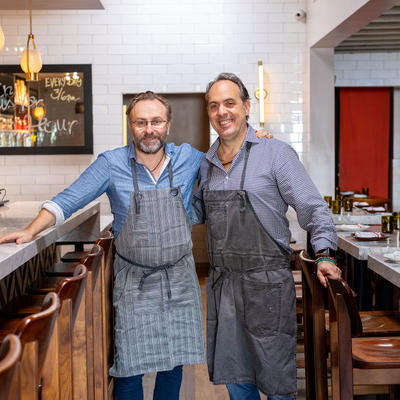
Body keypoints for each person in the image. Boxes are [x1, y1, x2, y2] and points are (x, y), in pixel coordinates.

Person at [0, 91, 206, 400]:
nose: (149, 129)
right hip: (134, 279)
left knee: (174, 362)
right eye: (140, 122)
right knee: (129, 366)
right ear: (130, 126)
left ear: (168, 124)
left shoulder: (189, 158)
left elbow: (228, 159)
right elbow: (68, 200)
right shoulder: (111, 164)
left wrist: (256, 137)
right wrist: (30, 230)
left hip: (179, 277)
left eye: (156, 121)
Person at [192, 73, 340, 400]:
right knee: (236, 379)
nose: (222, 112)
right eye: (214, 105)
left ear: (246, 107)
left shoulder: (275, 153)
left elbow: (314, 208)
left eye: (230, 103)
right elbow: (199, 214)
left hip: (268, 286)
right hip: (224, 287)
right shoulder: (207, 164)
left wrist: (325, 254)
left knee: (276, 384)